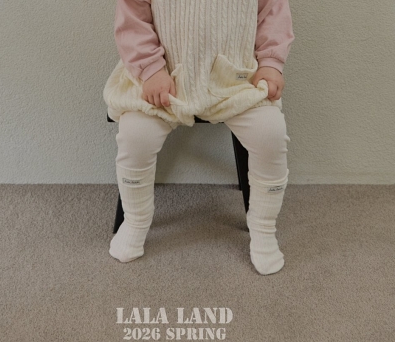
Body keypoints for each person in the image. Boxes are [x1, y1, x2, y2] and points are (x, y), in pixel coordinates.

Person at [103, 0, 295, 275]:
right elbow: (132, 17)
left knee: (270, 134)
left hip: (233, 81)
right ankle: (135, 220)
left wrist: (271, 63)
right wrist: (150, 69)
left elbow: (273, 13)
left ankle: (264, 227)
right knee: (136, 136)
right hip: (163, 80)